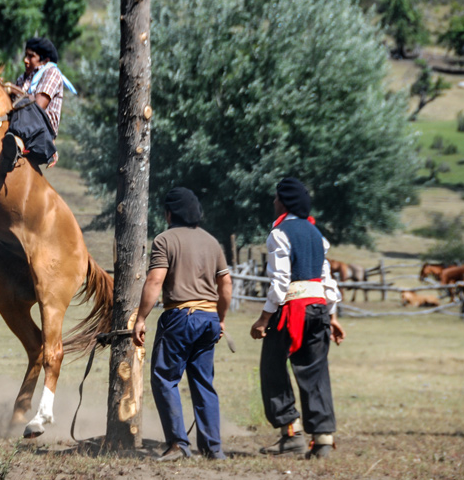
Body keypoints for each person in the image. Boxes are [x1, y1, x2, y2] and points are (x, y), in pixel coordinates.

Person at [132, 187, 233, 462]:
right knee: (203, 383)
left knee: (164, 378)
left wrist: (141, 318)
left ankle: (178, 444)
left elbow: (155, 281)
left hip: (180, 317)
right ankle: (214, 449)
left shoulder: (165, 240)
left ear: (169, 214)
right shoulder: (212, 242)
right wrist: (221, 318)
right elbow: (225, 284)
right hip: (209, 319)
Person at [249, 177, 346, 459]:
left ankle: (290, 434)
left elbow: (280, 283)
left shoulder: (279, 233)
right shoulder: (317, 235)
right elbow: (326, 281)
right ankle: (323, 440)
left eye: (276, 197)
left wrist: (263, 319)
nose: (273, 202)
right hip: (318, 311)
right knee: (315, 373)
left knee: (272, 368)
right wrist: (333, 316)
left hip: (292, 312)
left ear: (285, 202)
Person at [3, 37, 77, 170]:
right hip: (21, 120)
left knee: (27, 103)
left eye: (31, 56)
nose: (25, 60)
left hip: (41, 128)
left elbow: (38, 105)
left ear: (45, 61)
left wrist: (12, 90)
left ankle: (17, 144)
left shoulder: (52, 73)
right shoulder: (24, 77)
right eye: (26, 55)